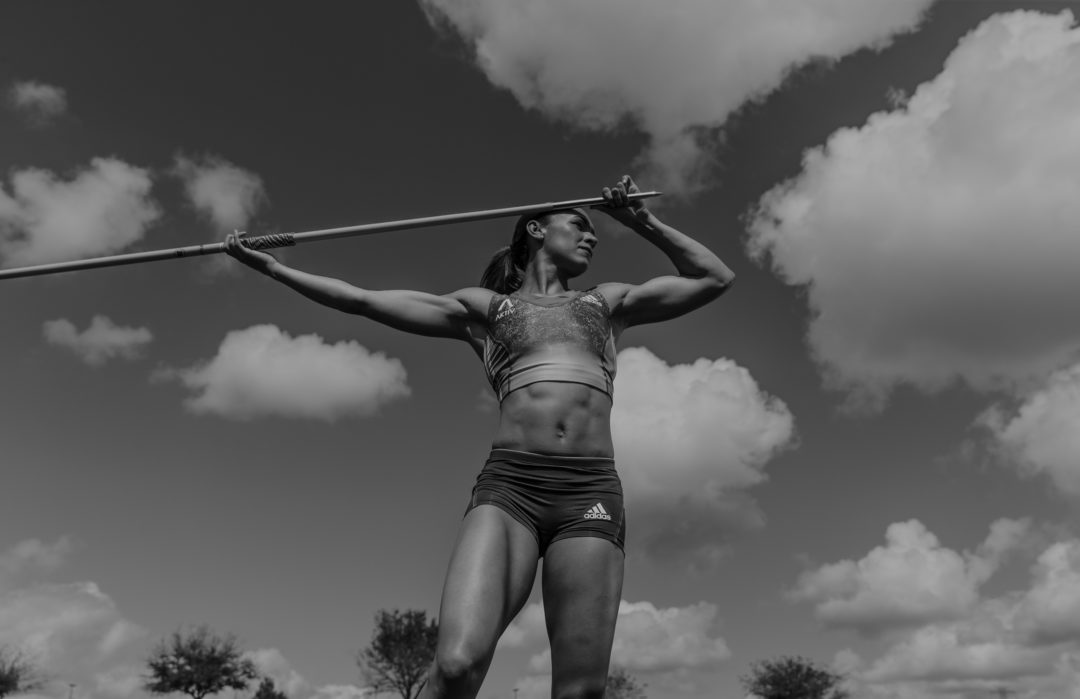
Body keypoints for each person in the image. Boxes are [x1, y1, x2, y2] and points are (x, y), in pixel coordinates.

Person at [224, 175, 735, 699]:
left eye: (594, 230)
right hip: (511, 488)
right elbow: (361, 301)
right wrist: (273, 268)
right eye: (578, 224)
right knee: (456, 665)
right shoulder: (486, 311)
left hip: (590, 492)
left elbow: (714, 278)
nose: (592, 236)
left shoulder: (607, 303)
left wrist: (642, 221)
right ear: (536, 229)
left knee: (580, 692)